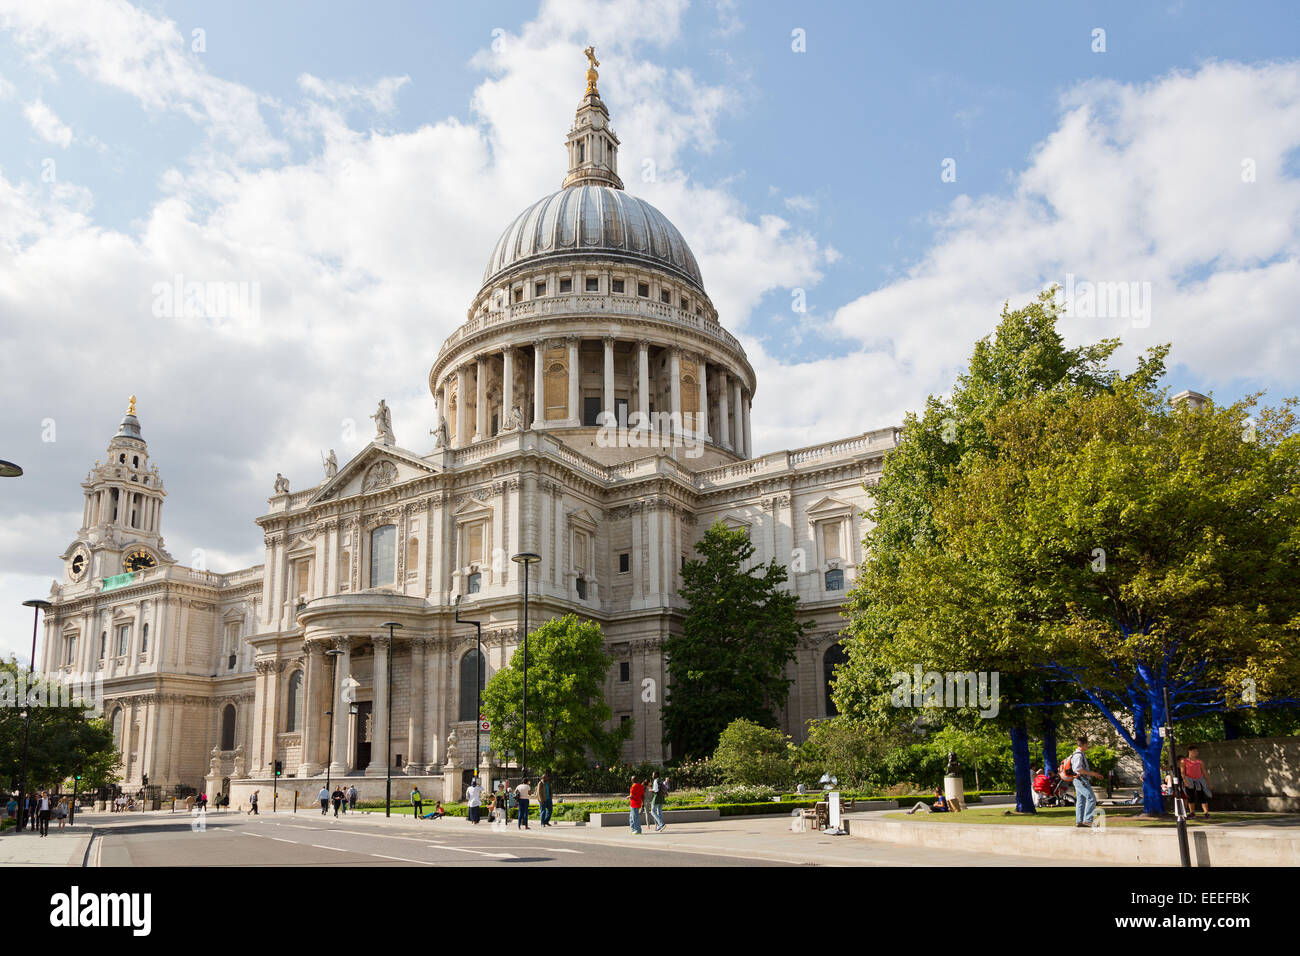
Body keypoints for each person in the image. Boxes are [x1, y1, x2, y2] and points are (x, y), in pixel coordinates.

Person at [1067, 736, 1105, 827]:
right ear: (1083, 745)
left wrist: (1093, 774)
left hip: (1079, 779)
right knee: (1091, 798)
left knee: (1081, 801)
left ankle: (1079, 821)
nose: (1088, 746)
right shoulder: (1078, 755)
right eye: (1087, 744)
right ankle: (1088, 820)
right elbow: (1078, 769)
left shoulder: (1078, 754)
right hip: (1081, 779)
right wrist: (1093, 774)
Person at [1180, 746, 1213, 819]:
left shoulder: (1199, 762)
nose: (1196, 753)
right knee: (1191, 797)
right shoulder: (1184, 761)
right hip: (1189, 780)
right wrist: (1185, 781)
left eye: (1197, 751)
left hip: (1199, 780)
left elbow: (1204, 773)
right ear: (1189, 751)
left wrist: (1209, 783)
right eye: (1194, 751)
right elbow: (1182, 773)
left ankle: (1206, 813)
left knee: (1202, 797)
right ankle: (1192, 813)